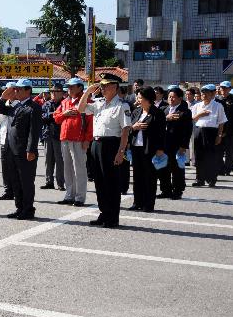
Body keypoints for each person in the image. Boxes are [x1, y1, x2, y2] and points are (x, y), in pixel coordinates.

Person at [78, 74, 131, 228]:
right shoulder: (99, 103)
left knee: (112, 183)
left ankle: (112, 217)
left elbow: (126, 130)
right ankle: (104, 213)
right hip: (97, 144)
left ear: (114, 87)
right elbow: (80, 109)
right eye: (101, 85)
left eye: (105, 85)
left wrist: (121, 152)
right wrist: (87, 92)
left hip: (112, 145)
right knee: (100, 182)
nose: (102, 88)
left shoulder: (122, 105)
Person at [0, 79, 42, 220]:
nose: (16, 91)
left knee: (26, 182)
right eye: (15, 89)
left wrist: (31, 150)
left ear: (28, 90)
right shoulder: (15, 106)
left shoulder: (33, 107)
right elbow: (1, 109)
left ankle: (28, 209)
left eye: (19, 89)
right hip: (11, 149)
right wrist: (3, 97)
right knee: (15, 181)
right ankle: (19, 207)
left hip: (24, 151)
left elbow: (33, 132)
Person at [53, 78, 92, 207]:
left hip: (79, 139)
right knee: (67, 168)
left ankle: (80, 197)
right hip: (65, 138)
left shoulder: (86, 101)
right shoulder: (64, 102)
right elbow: (56, 118)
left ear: (80, 88)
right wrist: (65, 113)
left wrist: (87, 139)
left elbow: (90, 123)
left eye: (72, 86)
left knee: (79, 169)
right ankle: (69, 195)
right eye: (68, 87)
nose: (69, 89)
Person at [128, 87, 166, 212]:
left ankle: (148, 204)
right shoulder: (136, 112)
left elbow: (161, 133)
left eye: (140, 98)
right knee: (137, 176)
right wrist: (134, 127)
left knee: (149, 177)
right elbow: (128, 128)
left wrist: (160, 148)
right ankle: (137, 202)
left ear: (148, 99)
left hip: (150, 149)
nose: (138, 100)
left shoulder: (158, 113)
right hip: (136, 148)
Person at [191, 84, 227, 187]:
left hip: (211, 132)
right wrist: (200, 114)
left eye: (206, 93)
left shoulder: (218, 106)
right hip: (198, 131)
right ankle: (199, 179)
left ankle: (211, 179)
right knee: (199, 156)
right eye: (202, 93)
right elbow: (192, 119)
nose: (203, 95)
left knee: (211, 156)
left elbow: (221, 122)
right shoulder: (197, 106)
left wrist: (219, 135)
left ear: (212, 94)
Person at [158, 86, 192, 200]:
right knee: (163, 168)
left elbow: (188, 131)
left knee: (177, 169)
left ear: (180, 98)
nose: (171, 99)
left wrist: (183, 146)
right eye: (169, 97)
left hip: (177, 145)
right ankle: (165, 190)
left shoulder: (185, 112)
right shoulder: (164, 109)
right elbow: (156, 122)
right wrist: (166, 118)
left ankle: (178, 191)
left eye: (173, 97)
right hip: (163, 144)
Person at [0, 83, 17, 201]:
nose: (8, 93)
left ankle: (16, 190)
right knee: (5, 167)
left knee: (15, 168)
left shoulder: (18, 105)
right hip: (4, 139)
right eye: (5, 91)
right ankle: (7, 190)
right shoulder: (3, 104)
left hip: (15, 141)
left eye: (10, 91)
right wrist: (3, 111)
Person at [41, 84, 65, 191]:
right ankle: (49, 181)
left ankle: (60, 183)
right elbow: (42, 117)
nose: (53, 93)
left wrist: (52, 116)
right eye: (52, 92)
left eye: (56, 91)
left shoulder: (64, 103)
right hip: (48, 134)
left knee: (60, 160)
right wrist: (54, 115)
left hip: (59, 134)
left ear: (61, 93)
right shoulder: (47, 103)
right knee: (48, 160)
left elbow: (63, 117)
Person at [218, 80, 233, 175]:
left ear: (229, 89)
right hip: (219, 129)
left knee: (229, 150)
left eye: (225, 88)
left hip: (230, 130)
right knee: (219, 150)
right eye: (222, 88)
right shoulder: (217, 100)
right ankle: (220, 168)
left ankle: (228, 169)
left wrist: (228, 131)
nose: (223, 90)